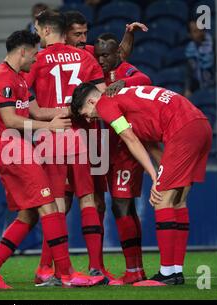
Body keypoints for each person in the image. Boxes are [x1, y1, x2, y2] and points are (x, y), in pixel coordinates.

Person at [0, 30, 104, 289]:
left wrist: (74, 110)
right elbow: (10, 120)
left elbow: (36, 110)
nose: (37, 60)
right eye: (34, 54)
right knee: (49, 206)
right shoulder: (3, 78)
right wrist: (48, 129)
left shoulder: (19, 78)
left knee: (29, 216)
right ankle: (66, 274)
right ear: (22, 51)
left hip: (19, 148)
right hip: (12, 148)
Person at [70, 83, 212, 286]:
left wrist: (156, 177)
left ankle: (166, 273)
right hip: (200, 124)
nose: (88, 118)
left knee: (161, 199)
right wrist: (159, 174)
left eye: (85, 112)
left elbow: (130, 139)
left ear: (92, 101)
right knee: (178, 201)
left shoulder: (105, 104)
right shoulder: (125, 98)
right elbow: (150, 143)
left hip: (181, 128)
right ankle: (175, 271)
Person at [23, 10, 108, 285]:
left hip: (50, 136)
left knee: (56, 204)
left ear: (47, 31)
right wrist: (77, 110)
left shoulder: (38, 59)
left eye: (38, 29)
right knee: (88, 199)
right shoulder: (85, 57)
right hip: (82, 137)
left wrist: (46, 114)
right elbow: (102, 95)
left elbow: (21, 97)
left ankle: (53, 270)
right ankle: (96, 267)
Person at [93, 32, 153, 285]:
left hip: (127, 149)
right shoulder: (98, 74)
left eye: (106, 55)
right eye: (99, 56)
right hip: (110, 149)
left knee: (121, 205)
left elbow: (145, 79)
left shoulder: (127, 71)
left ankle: (133, 270)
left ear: (118, 53)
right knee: (123, 207)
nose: (101, 60)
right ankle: (136, 270)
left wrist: (123, 84)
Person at [64, 10, 148, 60]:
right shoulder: (51, 55)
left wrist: (129, 33)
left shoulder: (89, 52)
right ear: (64, 34)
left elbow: (119, 55)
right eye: (77, 34)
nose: (83, 40)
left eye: (85, 33)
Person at [184, 20, 216, 97]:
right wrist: (188, 89)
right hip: (199, 88)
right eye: (195, 31)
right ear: (190, 34)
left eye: (201, 30)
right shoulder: (189, 50)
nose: (199, 34)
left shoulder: (214, 45)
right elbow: (189, 73)